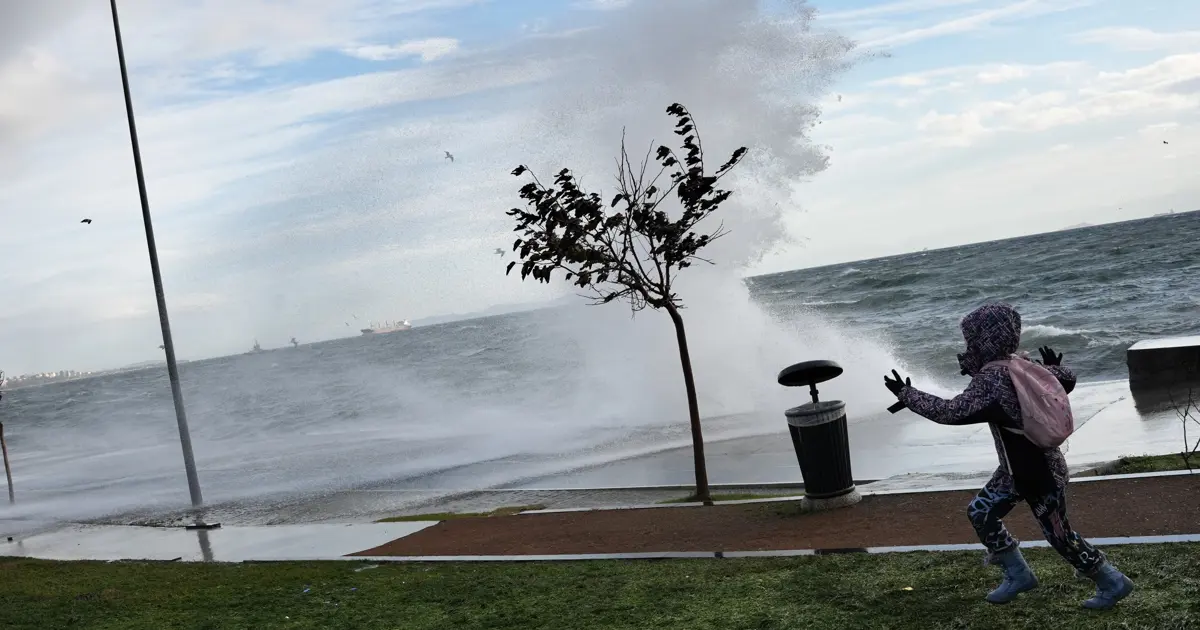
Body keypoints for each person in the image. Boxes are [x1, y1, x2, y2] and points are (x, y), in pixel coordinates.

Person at [883, 303, 1134, 610]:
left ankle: (1112, 581)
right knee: (980, 512)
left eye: (971, 339)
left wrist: (907, 395)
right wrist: (1052, 367)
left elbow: (951, 412)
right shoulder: (1021, 365)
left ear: (982, 339)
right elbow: (1065, 378)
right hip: (1015, 472)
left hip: (1039, 474)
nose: (968, 345)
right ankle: (1018, 574)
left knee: (1060, 536)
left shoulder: (993, 380)